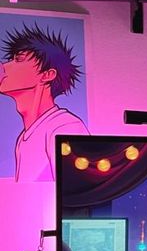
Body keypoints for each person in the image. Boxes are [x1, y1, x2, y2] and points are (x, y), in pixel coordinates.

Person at [0, 23, 88, 181]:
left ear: (47, 74)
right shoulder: (24, 137)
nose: (4, 67)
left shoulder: (65, 127)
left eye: (18, 59)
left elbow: (74, 195)